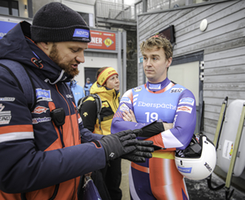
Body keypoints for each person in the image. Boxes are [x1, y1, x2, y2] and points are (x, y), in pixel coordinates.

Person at [0, 2, 153, 200]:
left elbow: (80, 134)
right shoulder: (9, 79)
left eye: (83, 49)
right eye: (74, 49)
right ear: (45, 42)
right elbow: (16, 171)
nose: (81, 58)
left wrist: (116, 145)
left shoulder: (60, 80)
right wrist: (102, 150)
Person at [111, 35, 197, 200]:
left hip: (169, 178)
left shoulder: (183, 94)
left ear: (168, 61)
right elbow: (115, 128)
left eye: (155, 58)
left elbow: (181, 138)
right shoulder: (131, 94)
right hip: (137, 177)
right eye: (145, 58)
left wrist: (136, 128)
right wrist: (163, 127)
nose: (148, 63)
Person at [79, 67, 122, 200]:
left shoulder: (116, 97)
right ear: (103, 82)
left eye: (117, 77)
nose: (117, 81)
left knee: (114, 186)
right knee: (100, 189)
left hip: (115, 148)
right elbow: (84, 132)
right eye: (112, 78)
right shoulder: (91, 102)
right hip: (100, 152)